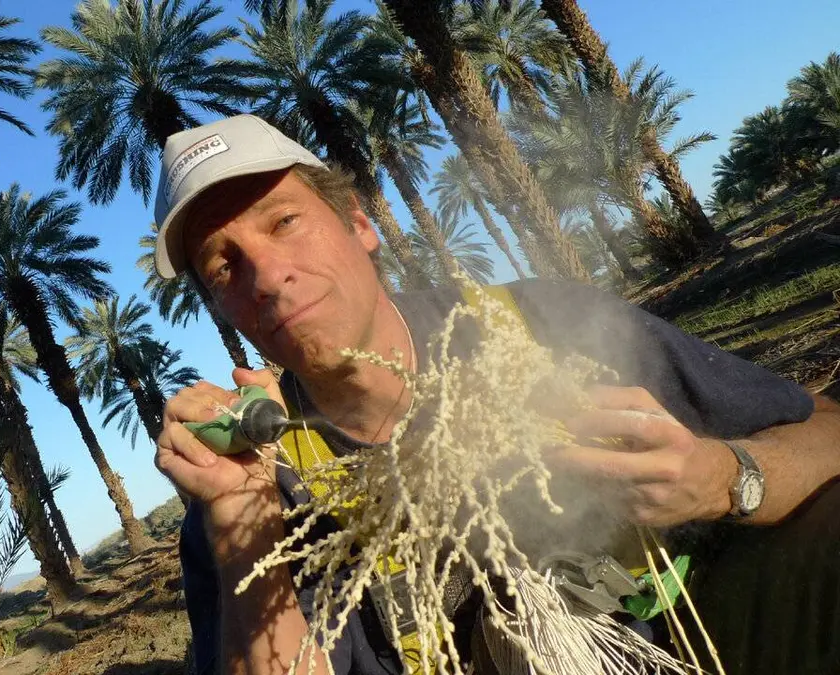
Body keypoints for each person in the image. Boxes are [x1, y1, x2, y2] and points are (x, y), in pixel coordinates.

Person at [152, 114, 840, 675]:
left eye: (283, 222)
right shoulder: (255, 489)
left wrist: (724, 478)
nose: (267, 276)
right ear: (222, 310)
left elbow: (826, 431)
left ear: (359, 224)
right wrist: (244, 525)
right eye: (223, 265)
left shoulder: (544, 326)